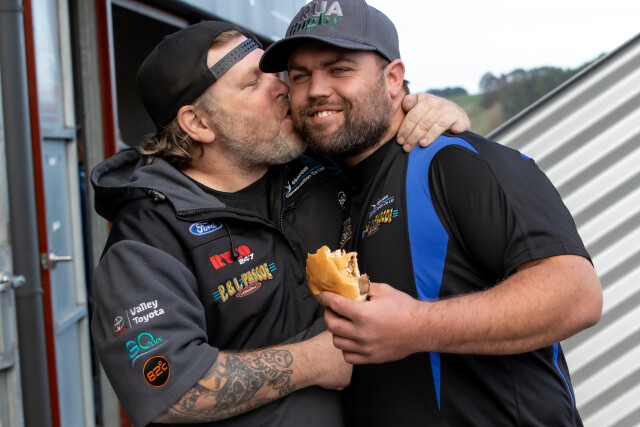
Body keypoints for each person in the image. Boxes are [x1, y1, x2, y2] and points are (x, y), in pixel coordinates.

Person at [90, 20, 470, 426]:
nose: (283, 87)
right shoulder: (148, 236)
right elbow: (167, 388)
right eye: (252, 82)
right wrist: (316, 360)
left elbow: (379, 129)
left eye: (274, 72)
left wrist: (428, 112)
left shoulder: (322, 165)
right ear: (198, 123)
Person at [259, 0, 603, 425]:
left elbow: (576, 295)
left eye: (340, 69)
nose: (316, 90)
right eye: (299, 76)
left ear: (393, 78)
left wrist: (415, 326)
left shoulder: (455, 161)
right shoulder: (324, 185)